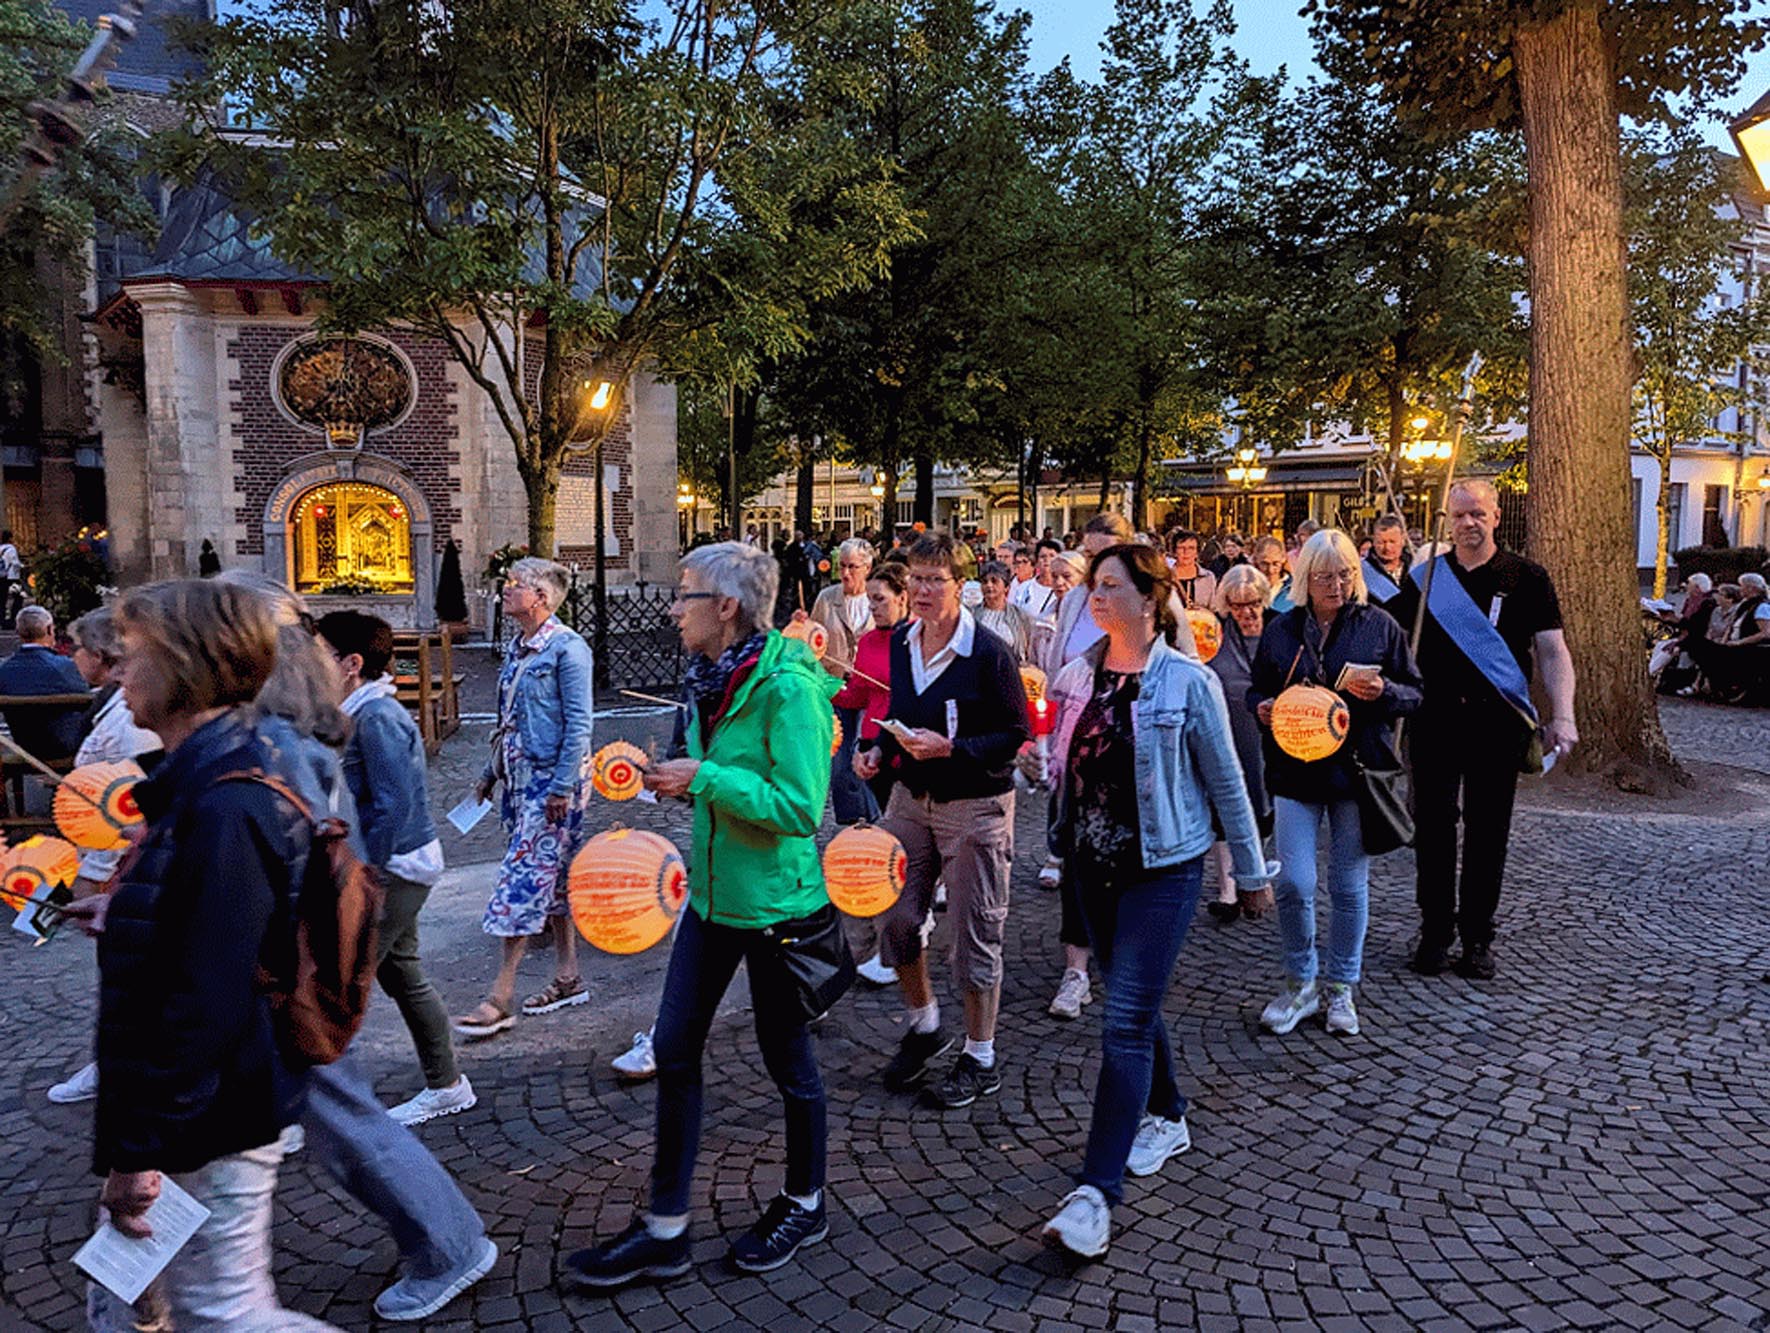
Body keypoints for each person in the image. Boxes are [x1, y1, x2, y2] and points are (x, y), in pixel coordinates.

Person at [223, 573, 498, 1325]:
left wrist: (363, 885)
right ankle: (443, 1082)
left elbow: (383, 810)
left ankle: (447, 1235)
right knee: (394, 982)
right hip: (349, 894)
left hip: (377, 879)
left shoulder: (346, 725)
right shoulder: (298, 724)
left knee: (338, 1054)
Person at [563, 542, 839, 1287]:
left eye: (682, 593)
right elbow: (711, 780)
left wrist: (706, 778)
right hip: (711, 901)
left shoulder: (790, 687)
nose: (670, 608)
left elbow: (799, 808)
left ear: (726, 606)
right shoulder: (707, 680)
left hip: (777, 908)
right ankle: (666, 1229)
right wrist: (669, 780)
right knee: (675, 1049)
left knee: (789, 1063)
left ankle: (805, 1202)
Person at [76, 579, 343, 1332]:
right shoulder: (202, 779)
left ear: (186, 665)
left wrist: (139, 1155)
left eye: (134, 654)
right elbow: (199, 929)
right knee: (131, 1299)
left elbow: (206, 999)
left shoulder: (227, 799)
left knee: (227, 1316)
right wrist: (127, 909)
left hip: (210, 1115)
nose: (119, 671)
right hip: (192, 1108)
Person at [1039, 544, 1270, 1260]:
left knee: (1124, 1024)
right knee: (1131, 1004)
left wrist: (1251, 872)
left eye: (1111, 585)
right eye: (1094, 585)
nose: (1097, 596)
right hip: (1091, 867)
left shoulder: (1188, 682)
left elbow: (1228, 781)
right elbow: (1063, 765)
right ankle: (1168, 1112)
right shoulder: (1078, 675)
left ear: (1149, 599)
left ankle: (1095, 1193)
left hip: (1163, 870)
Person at [854, 532, 1030, 1107]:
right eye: (917, 579)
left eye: (936, 580)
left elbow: (1015, 733)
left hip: (974, 803)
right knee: (896, 917)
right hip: (911, 798)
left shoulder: (989, 652)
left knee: (973, 933)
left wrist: (953, 749)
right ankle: (924, 1023)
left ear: (962, 586)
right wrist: (878, 749)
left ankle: (981, 1056)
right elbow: (903, 711)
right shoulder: (904, 641)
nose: (924, 590)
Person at [1389, 479, 1576, 981]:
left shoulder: (1527, 577)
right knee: (1432, 830)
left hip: (1497, 724)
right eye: (1459, 515)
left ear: (1495, 516)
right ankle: (1434, 931)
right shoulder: (1427, 580)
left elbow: (1553, 651)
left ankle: (1477, 937)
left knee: (1488, 832)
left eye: (1477, 513)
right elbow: (1390, 635)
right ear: (1447, 522)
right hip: (1434, 722)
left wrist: (1563, 715)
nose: (1468, 522)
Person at [1250, 530, 1422, 1038]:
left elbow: (1414, 693)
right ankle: (1300, 983)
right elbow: (1257, 688)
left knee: (1348, 886)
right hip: (1294, 769)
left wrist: (1383, 690)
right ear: (1305, 578)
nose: (1337, 585)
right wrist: (1261, 707)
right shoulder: (1281, 628)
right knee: (1294, 882)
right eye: (1325, 576)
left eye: (1346, 573)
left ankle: (1342, 986)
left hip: (1356, 771)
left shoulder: (1378, 626)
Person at [316, 610, 473, 1127]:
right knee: (402, 974)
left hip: (395, 867)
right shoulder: (358, 711)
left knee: (336, 985)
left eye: (320, 654)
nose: (312, 663)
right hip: (395, 864)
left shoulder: (377, 717)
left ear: (351, 664)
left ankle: (317, 1106)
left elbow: (393, 803)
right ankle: (447, 1083)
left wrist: (367, 875)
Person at [458, 557, 594, 1037]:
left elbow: (579, 725)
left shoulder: (568, 649)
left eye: (516, 585)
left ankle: (500, 996)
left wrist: (560, 787)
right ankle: (568, 976)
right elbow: (510, 721)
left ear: (541, 597)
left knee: (522, 878)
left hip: (553, 785)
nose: (506, 591)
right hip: (519, 780)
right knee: (554, 880)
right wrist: (488, 774)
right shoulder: (518, 648)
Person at [44, 610, 162, 1109]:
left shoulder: (133, 721)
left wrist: (103, 877)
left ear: (104, 657)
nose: (73, 657)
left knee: (130, 968)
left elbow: (128, 802)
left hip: (117, 858)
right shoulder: (113, 704)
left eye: (79, 648)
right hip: (106, 854)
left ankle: (123, 1062)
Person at [1204, 566, 1275, 924]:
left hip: (1269, 733)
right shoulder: (1214, 633)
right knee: (1222, 802)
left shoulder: (1280, 630)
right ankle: (1227, 891)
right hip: (1226, 727)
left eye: (1254, 603)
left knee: (1263, 801)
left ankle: (1254, 876)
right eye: (1237, 605)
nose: (1247, 612)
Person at [808, 537, 878, 824]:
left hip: (871, 691)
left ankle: (874, 819)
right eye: (842, 567)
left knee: (868, 756)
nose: (846, 573)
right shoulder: (827, 599)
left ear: (868, 568)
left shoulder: (878, 598)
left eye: (853, 567)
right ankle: (851, 822)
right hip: (836, 688)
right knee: (839, 763)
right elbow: (811, 642)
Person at [0, 604, 90, 762]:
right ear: (49, 630)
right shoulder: (65, 667)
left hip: (25, 747)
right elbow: (85, 698)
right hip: (66, 747)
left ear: (18, 632)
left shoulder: (4, 670)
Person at [1686, 570, 1770, 702]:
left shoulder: (1761, 607)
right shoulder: (1744, 605)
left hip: (1747, 647)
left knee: (1706, 651)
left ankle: (1719, 685)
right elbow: (1731, 626)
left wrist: (1739, 642)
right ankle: (1712, 684)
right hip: (1732, 643)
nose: (1740, 589)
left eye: (1742, 586)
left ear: (1751, 588)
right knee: (1696, 644)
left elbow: (1765, 633)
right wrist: (1724, 642)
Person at [975, 560, 1035, 664]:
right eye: (984, 582)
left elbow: (1028, 650)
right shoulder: (971, 615)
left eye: (994, 581)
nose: (989, 585)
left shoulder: (1021, 616)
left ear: (1007, 587)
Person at [1362, 515, 1410, 608]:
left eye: (1392, 542)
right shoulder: (1362, 572)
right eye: (1381, 542)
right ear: (1374, 542)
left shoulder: (1414, 567)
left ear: (1403, 540)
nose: (1387, 548)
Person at [1166, 529, 1217, 610]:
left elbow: (1213, 608)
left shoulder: (1208, 578)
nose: (1186, 552)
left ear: (1197, 552)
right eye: (1181, 548)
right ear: (1174, 551)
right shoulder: (1165, 578)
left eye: (1191, 548)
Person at [1249, 536, 1293, 611]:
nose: (1270, 570)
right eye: (1264, 564)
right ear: (1256, 561)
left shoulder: (1294, 589)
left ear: (1283, 559)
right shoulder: (1247, 587)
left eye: (1275, 564)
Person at [0, 529, 20, 618]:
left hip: (2, 576)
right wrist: (22, 566)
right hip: (13, 577)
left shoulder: (1, 548)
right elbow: (15, 563)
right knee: (18, 596)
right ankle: (14, 615)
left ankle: (2, 617)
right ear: (10, 538)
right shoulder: (11, 549)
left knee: (2, 598)